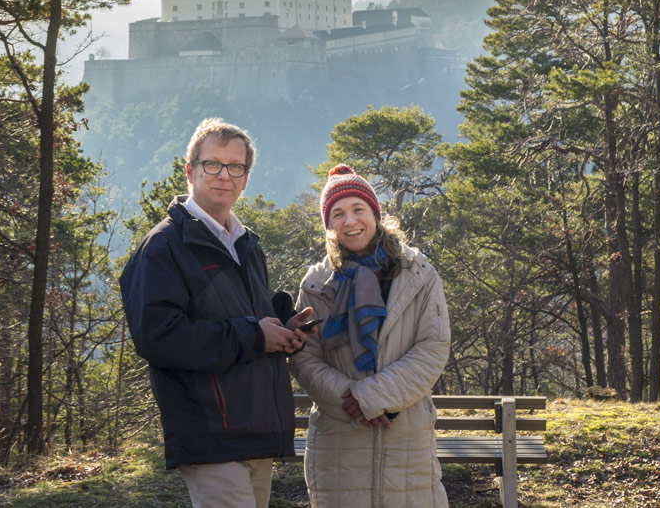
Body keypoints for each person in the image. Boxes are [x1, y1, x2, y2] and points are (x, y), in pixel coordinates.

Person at [119, 118, 315, 508]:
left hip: (256, 430)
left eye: (235, 167)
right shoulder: (163, 247)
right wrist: (256, 336)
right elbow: (158, 337)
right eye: (213, 164)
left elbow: (245, 317)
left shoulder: (246, 244)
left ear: (246, 179)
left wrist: (282, 328)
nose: (224, 175)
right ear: (190, 171)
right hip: (211, 434)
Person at [288, 164, 451, 508]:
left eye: (358, 209)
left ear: (375, 214)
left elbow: (433, 347)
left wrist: (373, 395)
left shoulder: (418, 274)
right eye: (338, 213)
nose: (350, 221)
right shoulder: (317, 284)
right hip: (338, 444)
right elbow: (304, 357)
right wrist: (351, 399)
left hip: (407, 444)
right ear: (328, 225)